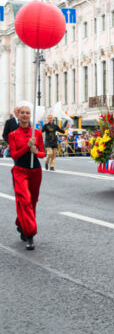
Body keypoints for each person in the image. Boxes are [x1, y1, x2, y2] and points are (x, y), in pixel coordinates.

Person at [8, 104, 45, 250]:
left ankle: (21, 224)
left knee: (33, 201)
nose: (24, 115)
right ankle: (30, 235)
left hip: (35, 171)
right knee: (25, 200)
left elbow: (42, 154)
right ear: (18, 115)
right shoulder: (13, 135)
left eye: (27, 113)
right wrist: (27, 147)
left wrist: (35, 151)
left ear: (30, 116)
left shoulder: (37, 133)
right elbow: (14, 155)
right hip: (20, 171)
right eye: (22, 113)